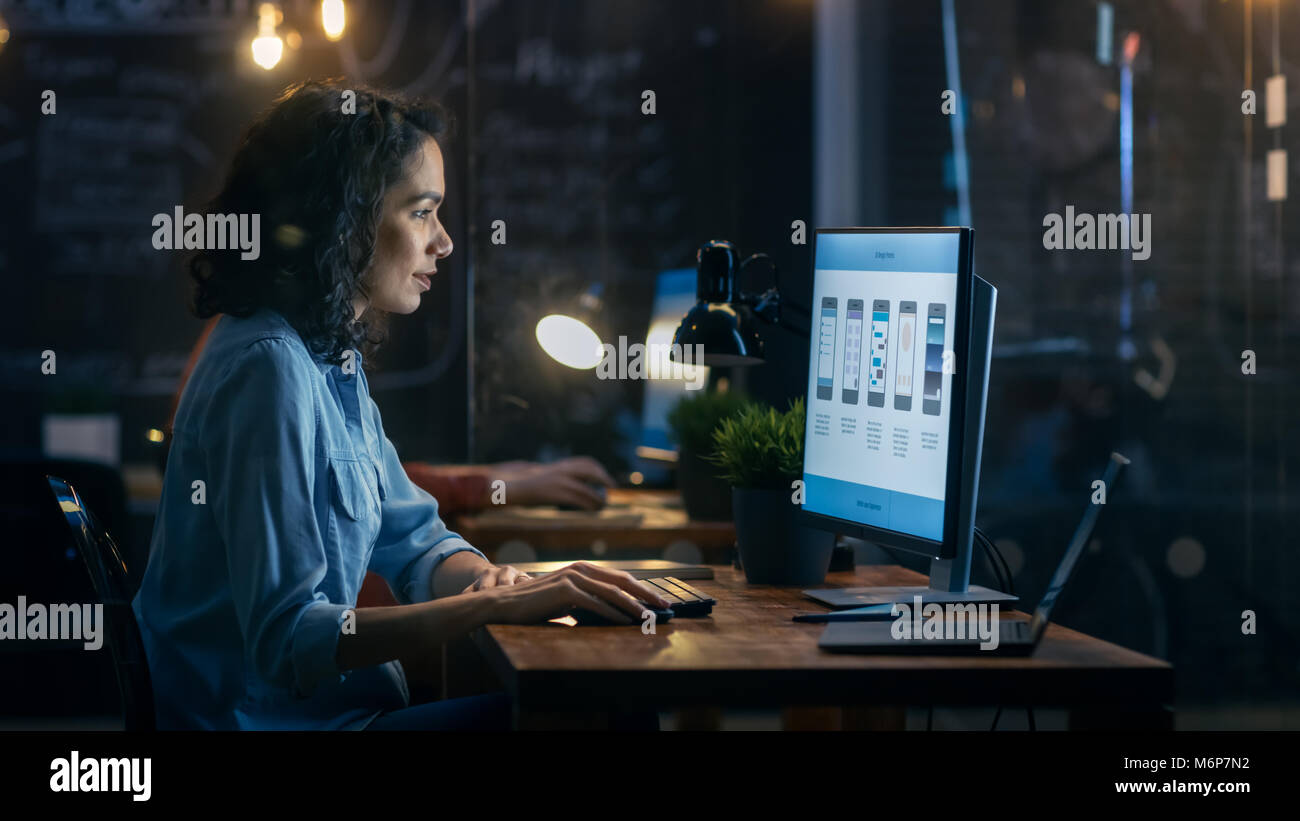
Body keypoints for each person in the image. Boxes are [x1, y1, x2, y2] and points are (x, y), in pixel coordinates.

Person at [131, 79, 672, 730]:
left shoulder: (327, 356)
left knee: (603, 703)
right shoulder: (267, 368)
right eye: (422, 211)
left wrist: (489, 581)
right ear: (346, 216)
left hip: (335, 719)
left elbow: (415, 540)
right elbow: (285, 643)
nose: (442, 241)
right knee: (611, 715)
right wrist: (488, 610)